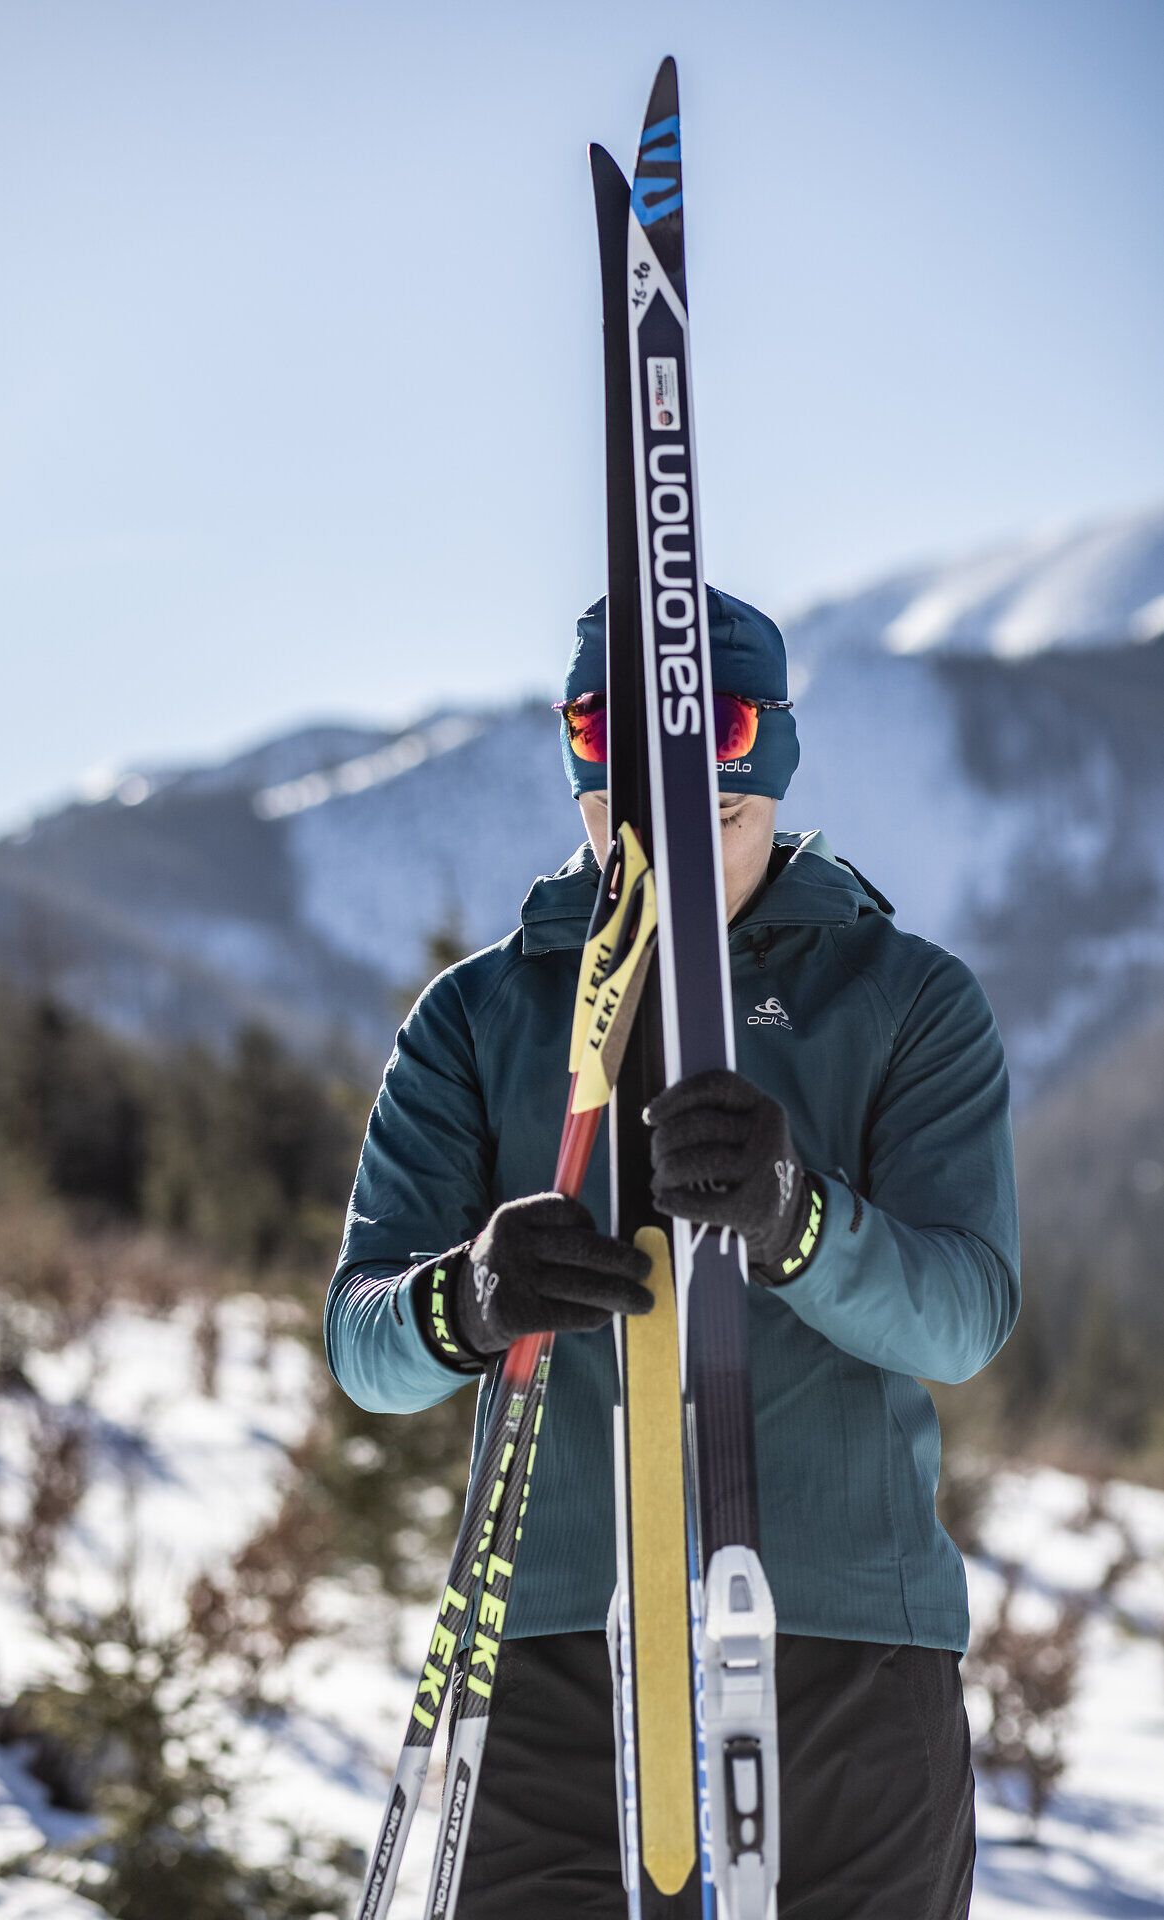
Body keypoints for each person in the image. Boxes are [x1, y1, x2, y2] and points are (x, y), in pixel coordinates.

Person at [326, 587, 1020, 1919]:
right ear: (578, 763)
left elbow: (962, 1314)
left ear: (774, 763)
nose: (675, 841)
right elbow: (363, 1342)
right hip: (551, 1644)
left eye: (724, 800)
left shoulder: (901, 997)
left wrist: (797, 1221)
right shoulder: (481, 1014)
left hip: (838, 1643)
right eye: (622, 792)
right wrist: (466, 1299)